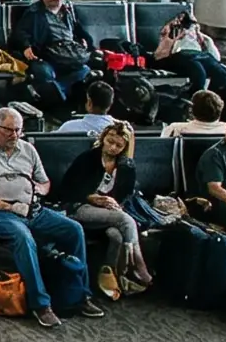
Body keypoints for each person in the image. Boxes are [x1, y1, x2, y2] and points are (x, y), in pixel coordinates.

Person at [0, 107, 94, 328]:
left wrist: (38, 190)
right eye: (9, 131)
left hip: (31, 208)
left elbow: (45, 183)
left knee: (73, 229)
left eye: (18, 130)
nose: (15, 136)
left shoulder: (27, 150)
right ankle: (40, 303)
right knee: (23, 237)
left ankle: (80, 294)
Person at [54, 124, 152, 299]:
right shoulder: (88, 159)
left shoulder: (126, 166)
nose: (113, 148)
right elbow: (66, 190)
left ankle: (110, 277)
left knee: (116, 235)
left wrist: (114, 204)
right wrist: (91, 198)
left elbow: (126, 196)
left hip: (109, 213)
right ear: (103, 139)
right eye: (110, 142)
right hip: (78, 207)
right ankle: (139, 265)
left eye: (118, 145)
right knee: (126, 221)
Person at [17, 0, 93, 110]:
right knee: (45, 73)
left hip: (69, 56)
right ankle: (61, 103)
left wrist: (84, 41)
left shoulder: (68, 12)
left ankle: (58, 91)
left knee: (86, 70)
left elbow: (78, 31)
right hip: (46, 56)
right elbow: (20, 32)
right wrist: (25, 46)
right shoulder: (33, 13)